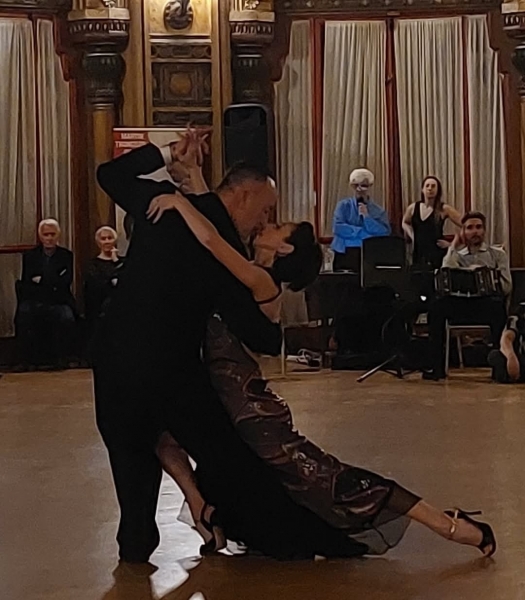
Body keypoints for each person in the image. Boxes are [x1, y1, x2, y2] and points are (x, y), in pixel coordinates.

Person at [148, 191, 496, 558]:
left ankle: (449, 526)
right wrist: (193, 180)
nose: (267, 224)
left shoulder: (262, 282)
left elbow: (211, 239)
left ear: (284, 249)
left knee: (335, 482)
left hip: (253, 414)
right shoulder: (245, 271)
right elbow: (219, 231)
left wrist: (180, 202)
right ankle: (204, 514)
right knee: (164, 438)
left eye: (278, 227)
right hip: (226, 402)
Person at [95, 134, 367, 564]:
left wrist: (169, 153)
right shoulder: (224, 250)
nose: (265, 220)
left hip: (115, 356)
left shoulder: (163, 205)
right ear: (244, 195)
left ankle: (139, 546)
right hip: (174, 372)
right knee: (230, 459)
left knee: (130, 461)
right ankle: (292, 535)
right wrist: (272, 312)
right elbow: (259, 334)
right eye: (266, 209)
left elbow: (109, 174)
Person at [424, 211, 511, 381]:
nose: (475, 231)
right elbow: (445, 274)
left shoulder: (498, 254)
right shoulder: (457, 255)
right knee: (436, 308)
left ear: (484, 230)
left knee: (498, 308)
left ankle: (499, 367)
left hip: (486, 305)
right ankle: (437, 367)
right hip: (461, 305)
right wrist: (453, 247)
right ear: (463, 231)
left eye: (478, 227)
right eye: (470, 228)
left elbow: (507, 287)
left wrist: (488, 278)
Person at [16, 219, 76, 371]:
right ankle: (26, 360)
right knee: (24, 314)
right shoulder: (30, 256)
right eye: (46, 234)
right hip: (35, 299)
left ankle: (63, 358)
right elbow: (27, 282)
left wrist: (42, 280)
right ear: (40, 236)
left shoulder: (66, 255)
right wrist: (53, 280)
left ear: (58, 235)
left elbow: (65, 282)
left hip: (58, 300)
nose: (49, 238)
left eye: (52, 234)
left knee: (67, 317)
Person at [331, 168, 391, 271]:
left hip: (369, 253)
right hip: (344, 252)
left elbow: (384, 232)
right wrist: (364, 233)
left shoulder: (378, 210)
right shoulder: (343, 206)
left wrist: (367, 217)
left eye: (363, 185)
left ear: (369, 186)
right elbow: (337, 228)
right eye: (356, 185)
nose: (359, 189)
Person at [402, 176, 462, 270]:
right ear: (422, 189)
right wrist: (412, 234)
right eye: (427, 186)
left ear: (438, 190)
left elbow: (465, 225)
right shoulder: (413, 207)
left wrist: (452, 244)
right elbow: (405, 222)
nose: (430, 188)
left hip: (437, 254)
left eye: (433, 186)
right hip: (418, 254)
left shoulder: (444, 209)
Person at [84, 227, 125, 326]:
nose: (107, 241)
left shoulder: (122, 262)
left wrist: (116, 261)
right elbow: (97, 286)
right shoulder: (93, 264)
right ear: (98, 243)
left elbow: (126, 280)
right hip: (101, 306)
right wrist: (114, 281)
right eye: (103, 239)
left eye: (110, 238)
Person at [488, 303, 525, 383]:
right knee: (495, 356)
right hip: (517, 358)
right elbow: (507, 338)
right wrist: (511, 357)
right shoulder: (517, 318)